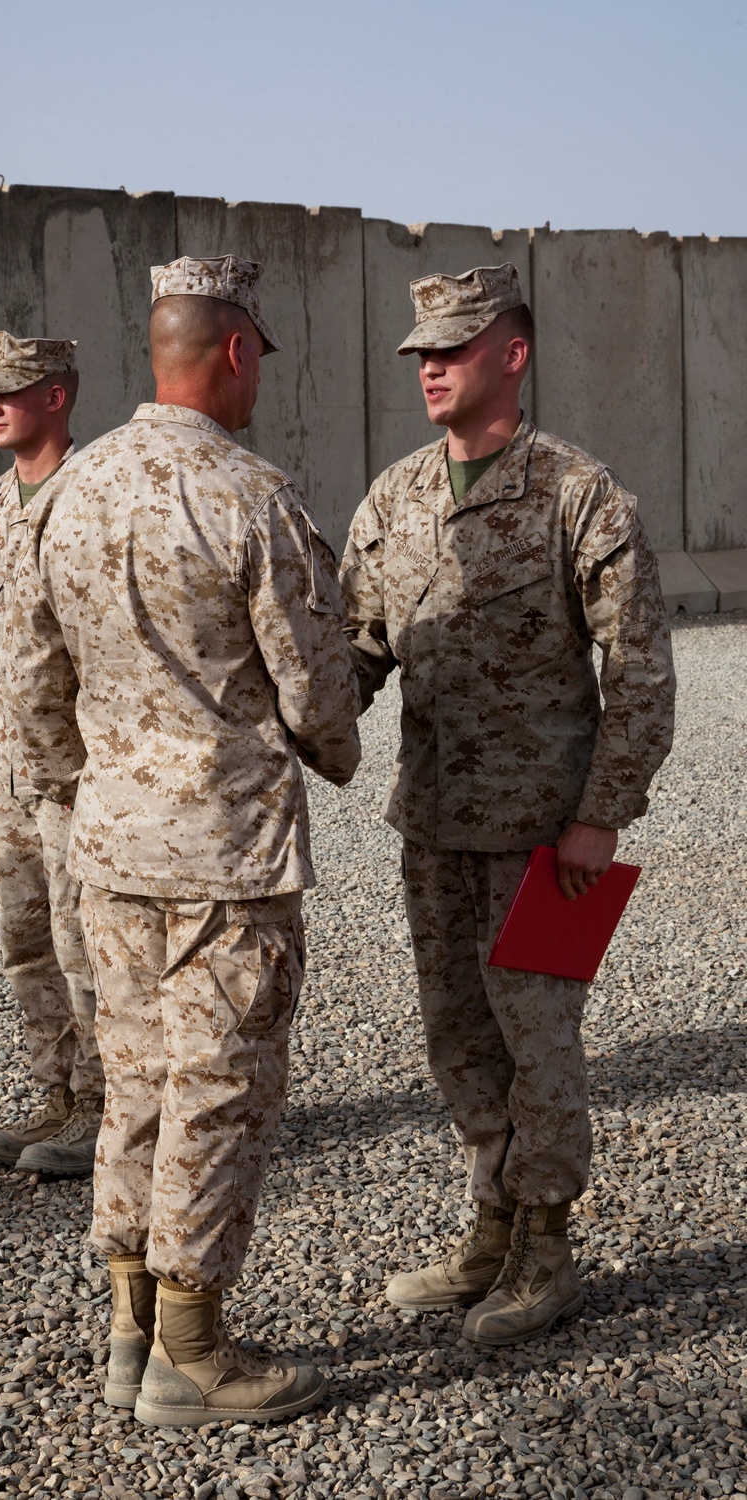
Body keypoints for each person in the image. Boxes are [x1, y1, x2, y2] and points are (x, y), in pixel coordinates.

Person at [9, 257, 361, 1426]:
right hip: (225, 859)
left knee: (137, 1090)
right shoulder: (250, 495)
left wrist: (89, 788)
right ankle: (194, 1355)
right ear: (237, 350)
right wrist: (337, 746)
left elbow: (31, 688)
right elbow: (316, 699)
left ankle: (127, 1331)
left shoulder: (71, 493)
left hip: (110, 851)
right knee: (218, 1092)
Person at [340, 264, 676, 1347]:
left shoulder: (577, 494)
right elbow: (354, 651)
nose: (430, 368)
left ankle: (546, 1243)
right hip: (432, 823)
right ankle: (490, 1221)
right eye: (421, 353)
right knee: (457, 1040)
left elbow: (639, 669)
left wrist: (601, 813)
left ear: (512, 355)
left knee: (542, 1041)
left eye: (452, 348)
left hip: (546, 833)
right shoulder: (392, 498)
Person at [0, 331, 104, 1176]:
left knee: (86, 938)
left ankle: (104, 1106)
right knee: (27, 938)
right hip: (8, 764)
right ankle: (55, 1090)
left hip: (80, 766)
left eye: (11, 390)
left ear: (57, 395)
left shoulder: (95, 495)